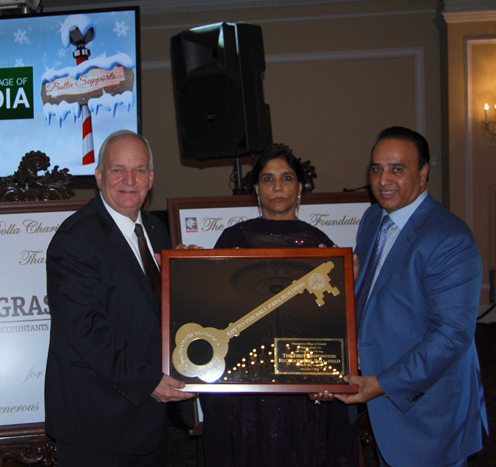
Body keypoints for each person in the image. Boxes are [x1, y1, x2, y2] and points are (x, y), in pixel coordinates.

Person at [334, 126, 489, 466]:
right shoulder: (374, 217)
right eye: (376, 169)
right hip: (380, 404)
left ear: (422, 174)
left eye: (397, 169)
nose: (383, 180)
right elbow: (374, 299)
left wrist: (382, 383)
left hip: (427, 412)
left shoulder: (450, 239)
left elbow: (451, 336)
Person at [200, 144, 360, 467]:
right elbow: (215, 308)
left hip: (300, 378)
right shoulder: (232, 240)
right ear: (256, 188)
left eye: (286, 178)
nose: (277, 186)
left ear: (300, 187)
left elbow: (331, 322)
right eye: (268, 178)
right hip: (246, 378)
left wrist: (348, 283)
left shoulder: (322, 245)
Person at [44, 130, 194, 466]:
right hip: (96, 423)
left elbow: (150, 308)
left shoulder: (155, 229)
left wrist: (186, 272)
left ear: (151, 178)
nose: (129, 180)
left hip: (147, 418)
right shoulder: (74, 239)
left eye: (139, 170)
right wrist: (149, 382)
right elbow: (87, 329)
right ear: (99, 176)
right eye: (117, 170)